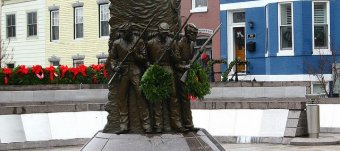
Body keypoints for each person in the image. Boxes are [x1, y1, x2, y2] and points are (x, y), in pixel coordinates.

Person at [109, 23, 152, 134]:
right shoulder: (117, 43)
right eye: (121, 32)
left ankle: (146, 125)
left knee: (141, 96)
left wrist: (135, 55)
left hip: (135, 71)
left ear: (130, 32)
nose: (122, 34)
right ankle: (124, 125)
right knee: (122, 98)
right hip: (123, 72)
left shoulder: (139, 41)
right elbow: (112, 59)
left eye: (124, 32)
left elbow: (144, 58)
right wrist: (115, 67)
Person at [146, 22, 187, 133]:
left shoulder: (171, 42)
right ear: (158, 31)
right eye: (163, 33)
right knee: (157, 99)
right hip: (156, 71)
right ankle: (158, 125)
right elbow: (145, 59)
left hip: (168, 70)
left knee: (173, 97)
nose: (165, 35)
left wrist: (171, 52)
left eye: (166, 33)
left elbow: (177, 59)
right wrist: (149, 65)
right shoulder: (150, 43)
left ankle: (176, 124)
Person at [173, 23, 199, 131]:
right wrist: (185, 67)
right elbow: (175, 63)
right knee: (182, 100)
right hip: (180, 74)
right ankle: (184, 124)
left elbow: (191, 58)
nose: (195, 36)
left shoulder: (192, 43)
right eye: (194, 34)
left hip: (187, 73)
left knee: (186, 100)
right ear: (188, 33)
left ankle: (188, 124)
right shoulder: (179, 43)